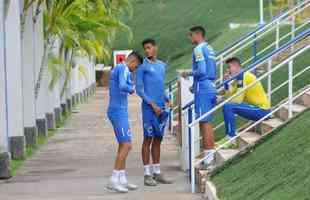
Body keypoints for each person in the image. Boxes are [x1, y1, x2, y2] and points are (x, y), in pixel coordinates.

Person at [136, 38, 172, 186]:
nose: (147, 50)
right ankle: (146, 174)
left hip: (161, 109)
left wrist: (166, 99)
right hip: (149, 109)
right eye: (145, 48)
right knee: (148, 139)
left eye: (149, 47)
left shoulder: (162, 65)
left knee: (158, 139)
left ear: (155, 48)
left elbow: (160, 85)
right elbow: (139, 89)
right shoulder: (142, 66)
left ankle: (157, 172)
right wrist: (152, 104)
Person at [107, 51, 143, 193]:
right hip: (118, 110)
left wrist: (129, 84)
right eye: (136, 66)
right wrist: (131, 89)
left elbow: (123, 83)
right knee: (127, 145)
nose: (136, 69)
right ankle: (114, 179)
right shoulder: (123, 68)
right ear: (132, 61)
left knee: (123, 144)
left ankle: (122, 179)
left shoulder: (122, 69)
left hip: (118, 109)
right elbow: (123, 86)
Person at [181, 26, 217, 166]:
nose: (189, 38)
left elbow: (201, 70)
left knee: (204, 123)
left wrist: (188, 73)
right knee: (207, 122)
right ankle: (209, 156)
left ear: (197, 34)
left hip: (203, 88)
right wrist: (194, 85)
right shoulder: (209, 47)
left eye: (190, 35)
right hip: (209, 86)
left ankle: (209, 159)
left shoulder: (198, 49)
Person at [222, 57, 271, 140]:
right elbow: (229, 96)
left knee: (228, 107)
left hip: (262, 110)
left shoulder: (244, 76)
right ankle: (230, 136)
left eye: (229, 67)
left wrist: (223, 100)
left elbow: (237, 100)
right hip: (255, 109)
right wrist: (226, 84)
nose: (228, 71)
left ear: (236, 66)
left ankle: (231, 138)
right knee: (227, 106)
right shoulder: (238, 79)